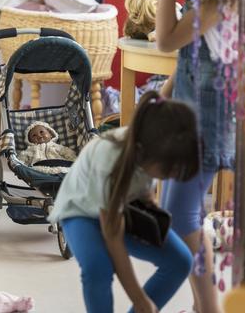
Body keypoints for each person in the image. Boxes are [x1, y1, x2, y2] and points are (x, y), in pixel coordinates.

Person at [49, 91, 200, 313]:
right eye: (168, 169)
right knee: (98, 268)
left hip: (121, 208)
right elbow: (114, 241)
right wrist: (140, 299)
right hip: (80, 211)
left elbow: (142, 187)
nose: (171, 176)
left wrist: (151, 205)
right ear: (142, 152)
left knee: (180, 261)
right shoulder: (109, 157)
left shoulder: (150, 145)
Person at [156, 0, 239, 312]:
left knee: (180, 217)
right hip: (191, 115)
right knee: (175, 215)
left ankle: (209, 307)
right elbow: (195, 49)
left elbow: (166, 40)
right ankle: (202, 304)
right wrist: (168, 90)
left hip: (207, 120)